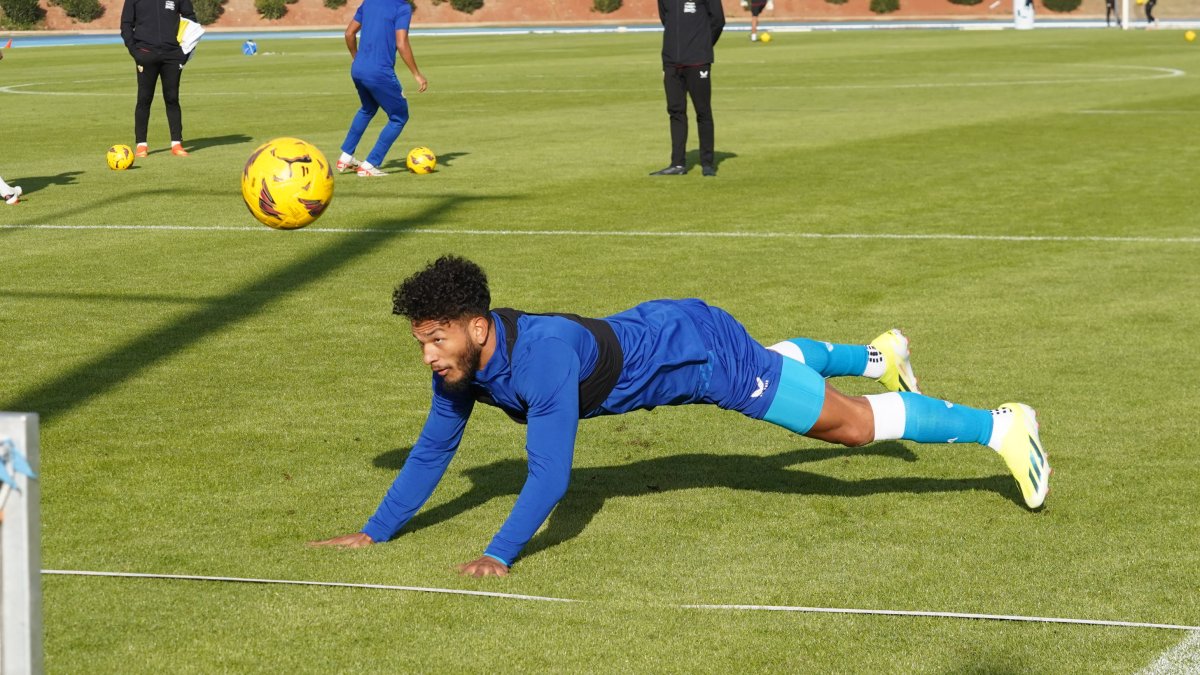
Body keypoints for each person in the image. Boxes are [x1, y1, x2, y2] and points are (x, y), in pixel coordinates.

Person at [310, 256, 1051, 577]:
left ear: (474, 325)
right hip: (671, 337)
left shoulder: (541, 360)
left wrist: (499, 551)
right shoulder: (466, 367)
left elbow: (550, 473)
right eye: (421, 342)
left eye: (435, 339)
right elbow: (432, 450)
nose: (429, 356)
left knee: (849, 427)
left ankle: (1000, 425)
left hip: (705, 360)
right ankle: (875, 353)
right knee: (786, 364)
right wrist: (376, 529)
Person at [336, 0, 428, 178]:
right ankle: (370, 165)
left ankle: (346, 157)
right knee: (399, 117)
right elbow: (401, 43)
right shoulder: (402, 7)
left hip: (358, 69)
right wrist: (417, 74)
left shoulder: (368, 2)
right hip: (380, 72)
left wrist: (357, 58)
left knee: (367, 109)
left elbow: (349, 33)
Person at [651, 0, 725, 177]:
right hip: (671, 62)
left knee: (703, 111)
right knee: (675, 112)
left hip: (698, 60)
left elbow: (718, 21)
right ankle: (677, 164)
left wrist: (703, 45)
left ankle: (707, 163)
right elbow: (666, 20)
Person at [120, 0, 196, 158]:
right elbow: (126, 24)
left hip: (173, 55)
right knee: (144, 99)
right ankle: (141, 145)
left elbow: (191, 19)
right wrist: (135, 52)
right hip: (146, 53)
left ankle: (176, 143)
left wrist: (185, 52)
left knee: (172, 98)